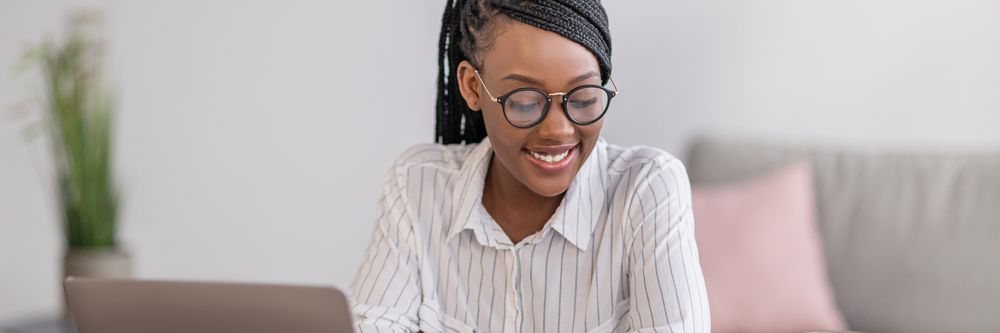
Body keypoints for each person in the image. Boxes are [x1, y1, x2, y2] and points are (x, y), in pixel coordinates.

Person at [349, 1, 709, 332]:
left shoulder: (646, 189)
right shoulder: (418, 184)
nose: (558, 130)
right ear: (473, 87)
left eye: (583, 98)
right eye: (524, 102)